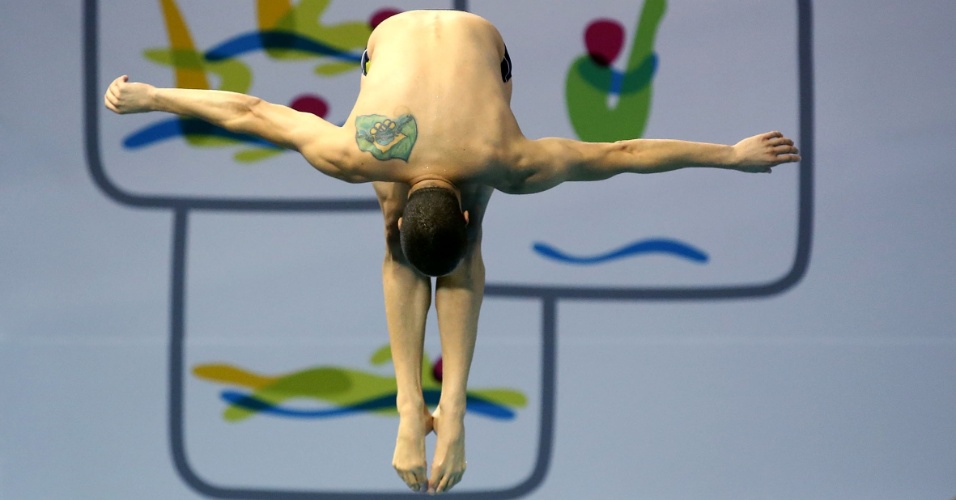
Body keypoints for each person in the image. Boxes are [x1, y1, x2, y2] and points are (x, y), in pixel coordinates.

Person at [104, 9, 799, 494]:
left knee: (408, 232)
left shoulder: (386, 156)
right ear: (458, 211)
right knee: (427, 220)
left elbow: (251, 111)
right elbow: (623, 154)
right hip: (422, 53)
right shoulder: (488, 161)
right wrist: (728, 155)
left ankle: (426, 408)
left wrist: (156, 96)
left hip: (448, 61)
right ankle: (439, 409)